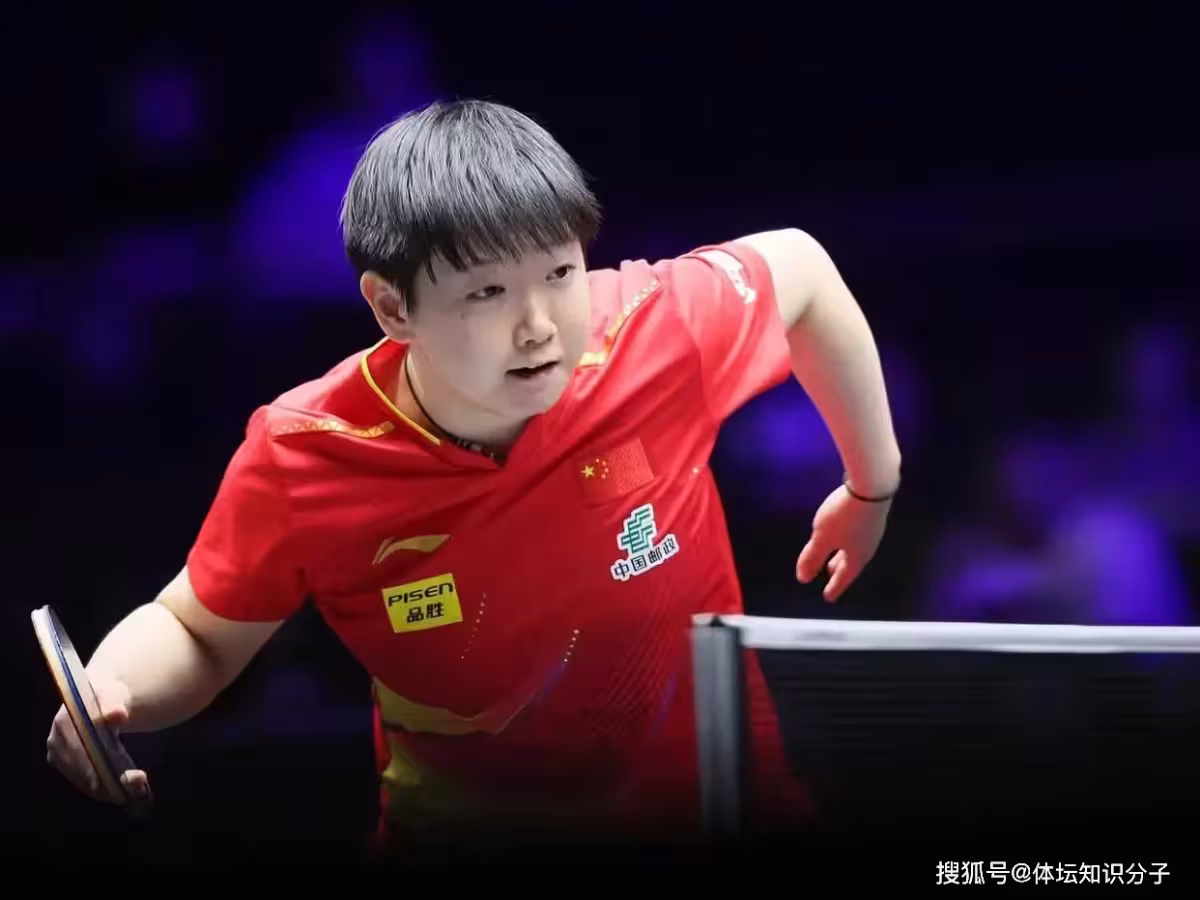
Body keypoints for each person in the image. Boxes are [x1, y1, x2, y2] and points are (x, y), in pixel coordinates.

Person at [44, 99, 902, 858]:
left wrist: (873, 483)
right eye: (487, 293)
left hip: (727, 810)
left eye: (559, 273)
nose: (539, 327)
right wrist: (114, 693)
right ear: (392, 307)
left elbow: (799, 268)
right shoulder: (306, 454)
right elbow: (197, 631)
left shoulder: (652, 332)